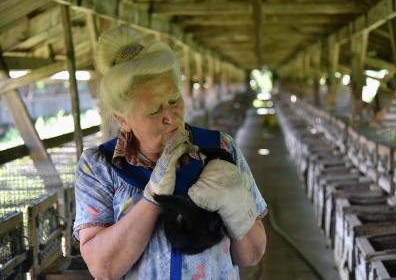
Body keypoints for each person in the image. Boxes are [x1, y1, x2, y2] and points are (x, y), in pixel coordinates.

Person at [73, 26, 267, 280]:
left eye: (174, 100)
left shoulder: (220, 148)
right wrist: (152, 197)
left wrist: (237, 206)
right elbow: (103, 269)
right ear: (123, 120)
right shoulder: (99, 167)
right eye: (154, 111)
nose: (170, 116)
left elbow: (252, 255)